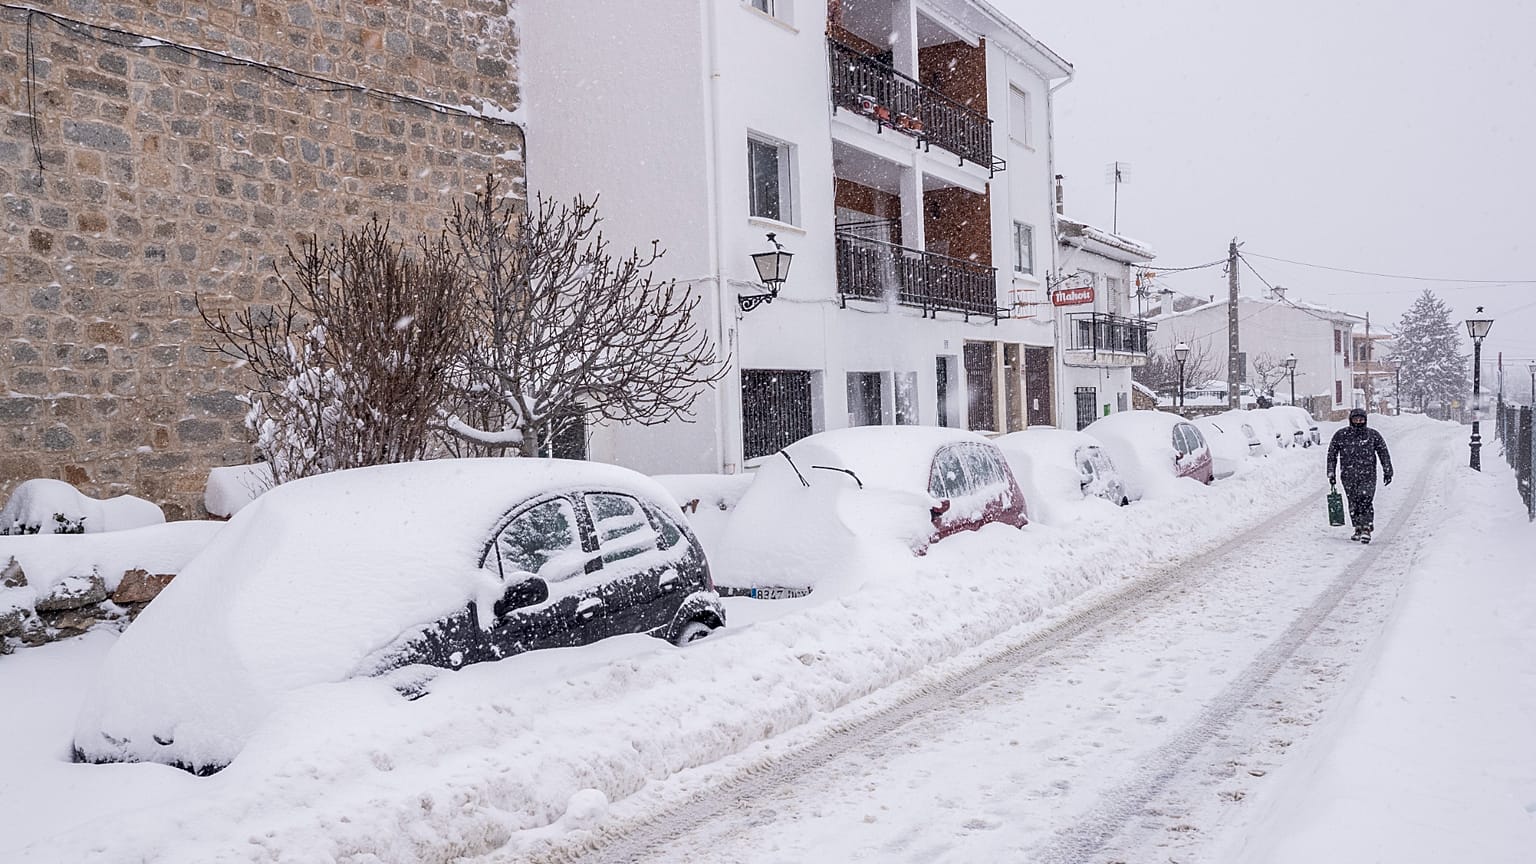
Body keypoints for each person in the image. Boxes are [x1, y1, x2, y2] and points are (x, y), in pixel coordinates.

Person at [1326, 408, 1393, 543]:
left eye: (1361, 419)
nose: (1358, 422)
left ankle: (1366, 527)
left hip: (1368, 474)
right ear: (1350, 420)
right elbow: (1332, 454)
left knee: (1366, 499)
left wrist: (1387, 470)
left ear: (1365, 420)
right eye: (1355, 419)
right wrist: (1331, 472)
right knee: (1353, 501)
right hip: (1348, 475)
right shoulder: (1341, 435)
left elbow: (1383, 453)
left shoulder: (1372, 435)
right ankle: (1357, 527)